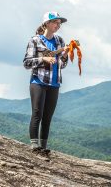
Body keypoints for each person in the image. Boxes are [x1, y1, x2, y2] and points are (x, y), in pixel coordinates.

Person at [23, 12, 69, 156]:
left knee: (48, 116)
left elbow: (62, 65)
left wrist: (65, 55)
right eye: (55, 22)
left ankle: (43, 147)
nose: (58, 25)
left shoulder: (60, 41)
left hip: (54, 83)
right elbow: (26, 63)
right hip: (38, 81)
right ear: (47, 23)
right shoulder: (35, 40)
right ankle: (34, 145)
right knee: (37, 113)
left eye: (59, 23)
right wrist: (43, 59)